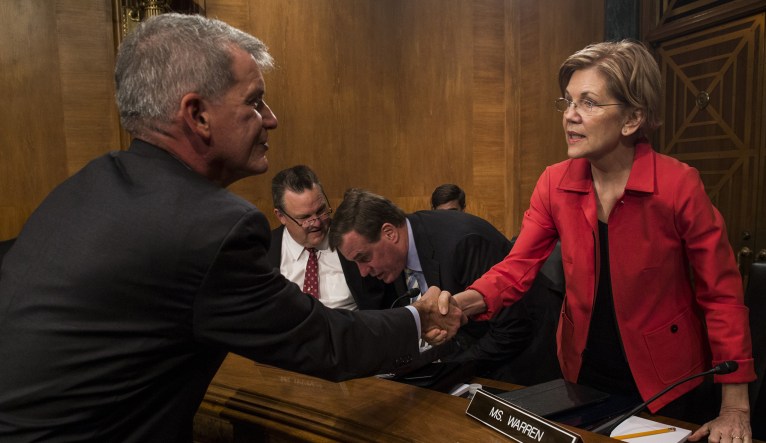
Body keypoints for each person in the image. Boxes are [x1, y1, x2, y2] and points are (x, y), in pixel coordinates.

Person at [0, 14, 463, 441]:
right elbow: (324, 343)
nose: (271, 119)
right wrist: (419, 318)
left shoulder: (85, 186)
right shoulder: (209, 227)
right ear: (197, 114)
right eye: (255, 101)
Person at [446, 40, 755, 440]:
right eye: (568, 102)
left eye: (589, 103)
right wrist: (459, 306)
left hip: (668, 382)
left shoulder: (679, 185)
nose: (570, 116)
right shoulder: (554, 182)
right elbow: (516, 268)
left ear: (632, 119)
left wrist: (735, 408)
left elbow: (722, 296)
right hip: (583, 373)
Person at [328, 188, 563, 384]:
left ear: (389, 233)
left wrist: (443, 370)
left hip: (529, 364)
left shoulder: (463, 244)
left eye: (364, 258)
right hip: (481, 358)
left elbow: (513, 329)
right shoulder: (395, 257)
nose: (363, 272)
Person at [268, 165, 398, 310]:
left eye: (321, 210)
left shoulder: (355, 239)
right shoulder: (263, 252)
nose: (317, 223)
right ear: (281, 216)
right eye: (305, 218)